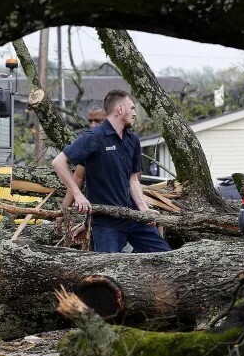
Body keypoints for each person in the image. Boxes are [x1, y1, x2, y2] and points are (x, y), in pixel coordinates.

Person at [51, 90, 170, 253]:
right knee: (108, 271)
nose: (135, 113)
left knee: (166, 257)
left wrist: (144, 209)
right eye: (133, 108)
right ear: (120, 109)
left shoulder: (133, 139)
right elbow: (58, 162)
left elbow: (133, 180)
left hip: (133, 216)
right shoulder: (94, 137)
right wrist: (78, 196)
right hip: (106, 223)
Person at [60, 107, 108, 210]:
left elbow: (134, 179)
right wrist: (64, 210)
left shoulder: (127, 140)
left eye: (98, 121)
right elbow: (78, 177)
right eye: (90, 121)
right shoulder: (90, 143)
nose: (92, 125)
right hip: (99, 210)